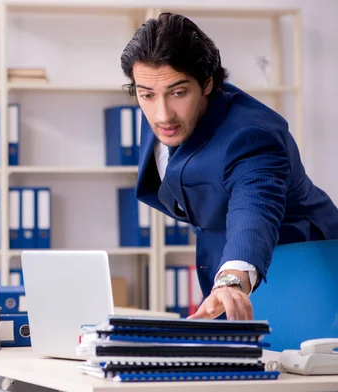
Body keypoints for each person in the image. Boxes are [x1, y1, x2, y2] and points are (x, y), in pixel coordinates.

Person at [120, 12, 338, 321]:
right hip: (220, 254)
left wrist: (232, 279)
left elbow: (254, 209)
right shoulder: (159, 103)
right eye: (147, 95)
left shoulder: (252, 137)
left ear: (207, 84)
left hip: (299, 261)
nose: (162, 114)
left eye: (178, 92)